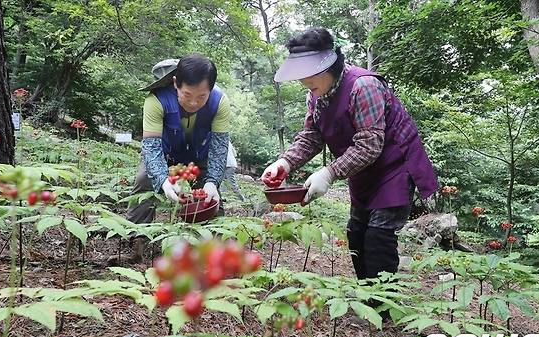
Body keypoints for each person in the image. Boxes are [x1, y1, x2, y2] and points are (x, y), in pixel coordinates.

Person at [261, 27, 438, 281]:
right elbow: (312, 135)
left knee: (379, 237)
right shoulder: (316, 95)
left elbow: (369, 145)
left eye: (310, 75)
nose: (305, 82)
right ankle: (366, 294)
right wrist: (285, 162)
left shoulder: (363, 86)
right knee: (356, 233)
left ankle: (381, 306)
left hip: (394, 167)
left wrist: (329, 173)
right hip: (360, 169)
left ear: (330, 66)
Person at [126, 54, 230, 224]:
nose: (194, 103)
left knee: (211, 197)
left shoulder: (220, 102)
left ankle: (214, 242)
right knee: (144, 180)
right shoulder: (156, 100)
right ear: (175, 83)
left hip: (200, 155)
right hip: (164, 153)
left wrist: (212, 182)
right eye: (187, 95)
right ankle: (137, 236)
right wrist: (163, 181)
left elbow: (219, 147)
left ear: (211, 89)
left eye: (202, 96)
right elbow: (151, 148)